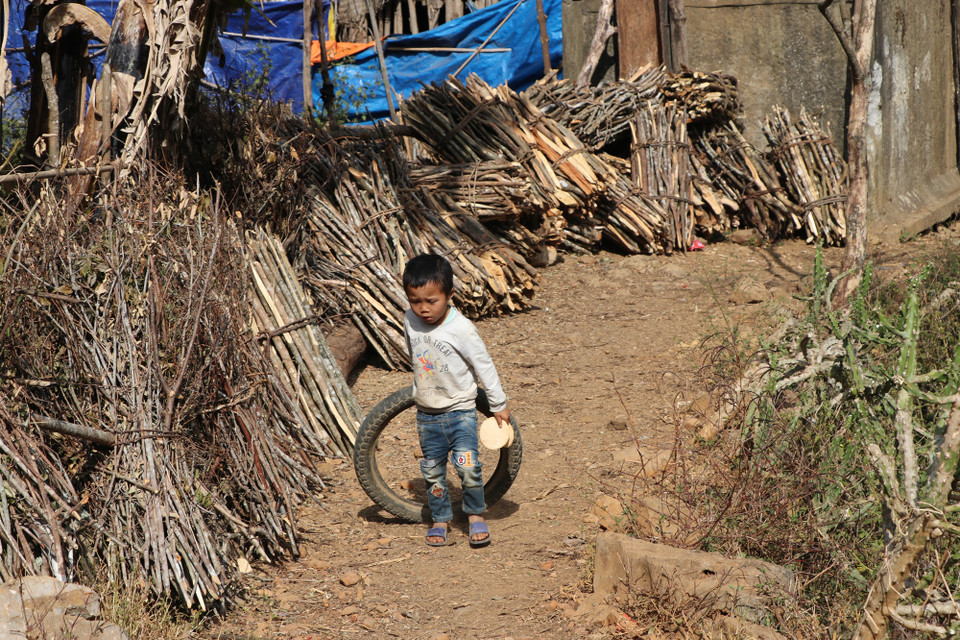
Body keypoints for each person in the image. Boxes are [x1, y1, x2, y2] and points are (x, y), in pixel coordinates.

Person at [402, 254, 511, 548]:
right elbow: (413, 352)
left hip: (461, 411)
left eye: (431, 301)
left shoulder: (461, 328)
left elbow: (483, 365)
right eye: (415, 301)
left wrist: (497, 404)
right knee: (433, 472)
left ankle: (475, 514)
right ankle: (440, 519)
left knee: (468, 467)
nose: (423, 309)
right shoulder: (410, 319)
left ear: (449, 295)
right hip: (427, 415)